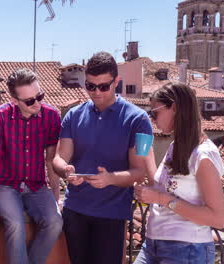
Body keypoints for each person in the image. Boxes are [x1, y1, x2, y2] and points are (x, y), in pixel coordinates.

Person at [53, 51, 153, 264]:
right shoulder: (73, 115)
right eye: (90, 86)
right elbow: (59, 159)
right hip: (75, 210)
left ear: (116, 82)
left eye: (103, 86)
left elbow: (139, 171)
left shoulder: (139, 119)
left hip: (112, 215)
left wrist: (110, 179)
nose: (96, 92)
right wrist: (66, 171)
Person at [133, 83, 224, 264]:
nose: (152, 119)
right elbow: (163, 190)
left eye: (155, 112)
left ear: (174, 107)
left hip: (187, 248)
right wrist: (148, 191)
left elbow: (218, 218)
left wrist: (161, 198)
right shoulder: (176, 147)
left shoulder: (203, 155)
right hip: (154, 243)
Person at [0, 68, 63, 264]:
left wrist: (56, 198)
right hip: (6, 185)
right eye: (29, 101)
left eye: (39, 96)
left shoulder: (52, 116)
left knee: (55, 222)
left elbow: (51, 160)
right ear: (14, 100)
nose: (37, 103)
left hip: (36, 185)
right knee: (16, 224)